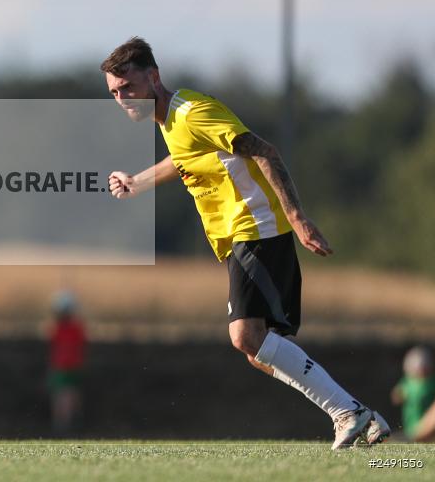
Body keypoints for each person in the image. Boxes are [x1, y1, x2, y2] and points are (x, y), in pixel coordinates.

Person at [102, 37, 389, 449]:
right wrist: (138, 182)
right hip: (242, 233)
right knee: (255, 349)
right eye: (114, 92)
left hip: (256, 226)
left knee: (245, 337)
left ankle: (349, 413)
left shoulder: (192, 112)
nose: (122, 98)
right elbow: (185, 159)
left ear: (153, 76)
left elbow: (263, 150)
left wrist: (296, 216)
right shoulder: (168, 120)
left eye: (127, 87)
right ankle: (356, 414)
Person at [48, 291, 86, 436]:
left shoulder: (61, 329)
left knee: (63, 396)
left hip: (63, 367)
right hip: (71, 367)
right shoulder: (75, 328)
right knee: (69, 395)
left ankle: (63, 425)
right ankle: (69, 424)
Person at [391, 345, 435, 440]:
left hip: (426, 425)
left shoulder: (432, 383)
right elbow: (396, 396)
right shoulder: (407, 382)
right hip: (411, 424)